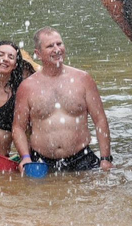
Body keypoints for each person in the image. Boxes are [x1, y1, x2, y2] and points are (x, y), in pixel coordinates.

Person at [12, 27, 113, 172]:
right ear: (38, 54)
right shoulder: (27, 87)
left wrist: (105, 158)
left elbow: (100, 120)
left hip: (82, 158)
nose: (57, 49)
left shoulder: (83, 79)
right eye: (50, 46)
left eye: (59, 44)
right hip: (42, 161)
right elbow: (18, 127)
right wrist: (25, 157)